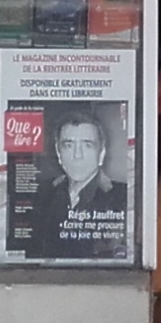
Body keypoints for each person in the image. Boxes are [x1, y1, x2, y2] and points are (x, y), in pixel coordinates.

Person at [21, 107, 128, 260]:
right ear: (58, 153)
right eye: (68, 145)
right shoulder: (42, 195)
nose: (77, 155)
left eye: (87, 145)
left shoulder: (122, 197)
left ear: (101, 153)